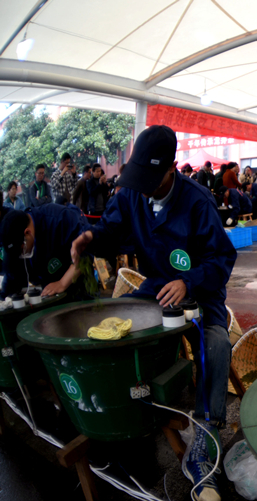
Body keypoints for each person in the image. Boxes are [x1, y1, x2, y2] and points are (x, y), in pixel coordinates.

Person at [70, 125, 236, 500]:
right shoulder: (131, 192)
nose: (142, 186)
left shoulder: (197, 201)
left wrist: (189, 281)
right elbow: (112, 229)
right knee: (120, 327)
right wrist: (91, 238)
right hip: (155, 287)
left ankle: (206, 437)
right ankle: (133, 414)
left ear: (172, 167)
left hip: (199, 292)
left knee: (216, 342)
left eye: (151, 178)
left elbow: (223, 258)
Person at [0, 205, 92, 299]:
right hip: (50, 296)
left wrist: (62, 283)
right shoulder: (13, 236)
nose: (21, 256)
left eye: (22, 251)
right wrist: (4, 300)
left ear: (27, 233)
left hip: (79, 291)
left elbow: (86, 253)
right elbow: (12, 275)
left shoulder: (60, 219)